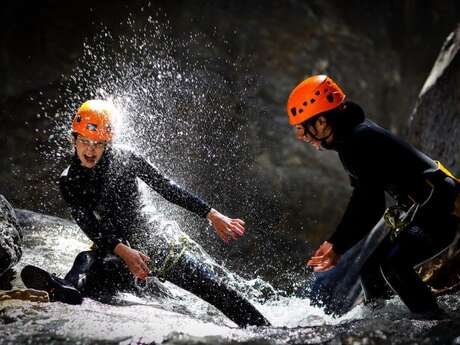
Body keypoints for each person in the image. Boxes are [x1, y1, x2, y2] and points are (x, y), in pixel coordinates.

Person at [21, 99, 270, 328]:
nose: (90, 150)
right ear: (72, 139)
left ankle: (267, 329)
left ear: (108, 144)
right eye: (84, 141)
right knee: (86, 260)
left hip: (153, 242)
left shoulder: (126, 158)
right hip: (118, 252)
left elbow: (167, 188)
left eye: (98, 144)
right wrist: (123, 251)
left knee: (214, 289)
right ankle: (66, 289)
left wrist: (212, 214)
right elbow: (89, 225)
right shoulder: (69, 180)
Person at [286, 75, 460, 318]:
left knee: (394, 264)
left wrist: (338, 245)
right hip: (430, 210)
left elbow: (369, 203)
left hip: (442, 210)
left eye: (302, 126)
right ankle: (385, 321)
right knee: (371, 272)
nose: (300, 135)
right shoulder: (352, 140)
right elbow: (365, 199)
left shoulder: (360, 140)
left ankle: (434, 322)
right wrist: (338, 243)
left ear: (322, 122)